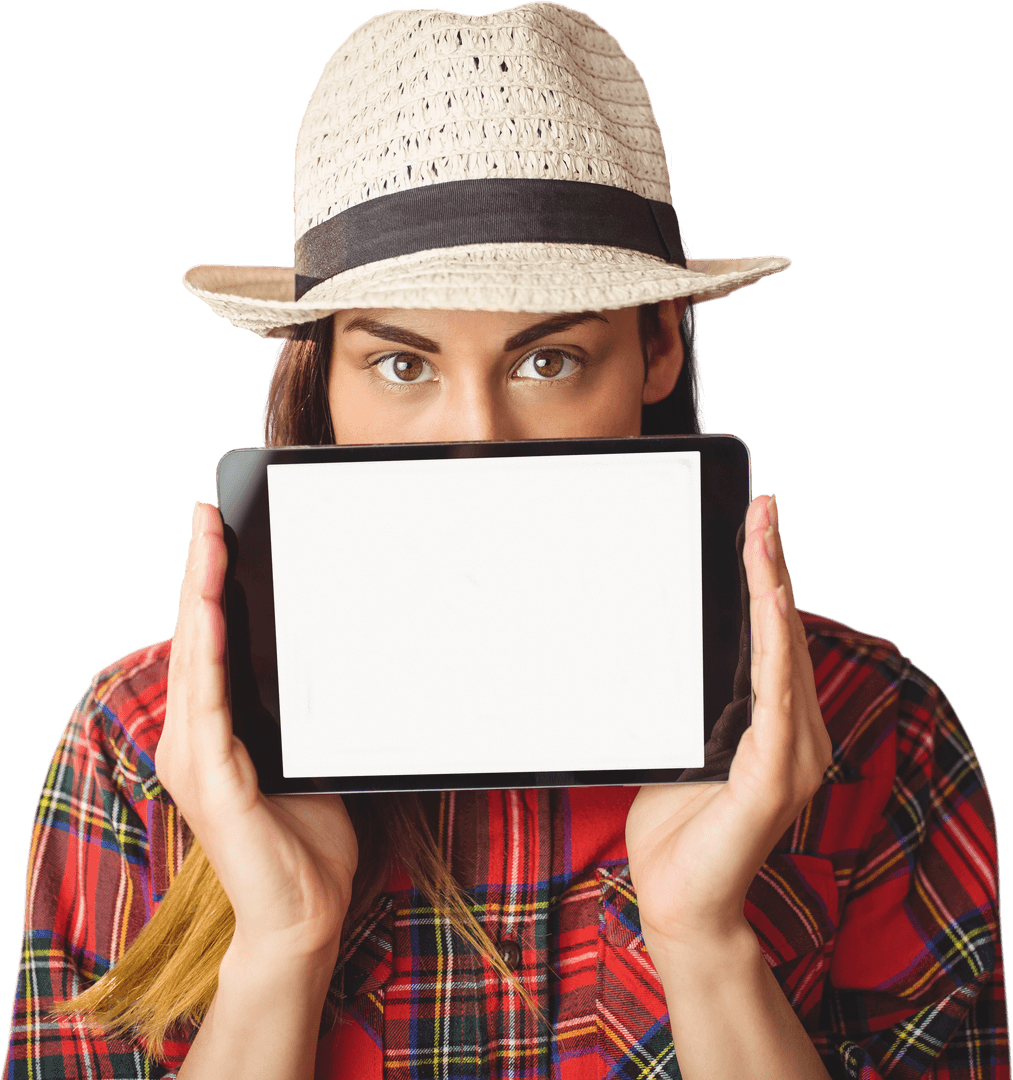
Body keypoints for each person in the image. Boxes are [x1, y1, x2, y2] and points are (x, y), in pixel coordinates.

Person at [3, 4, 1006, 1079]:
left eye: (547, 361)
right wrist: (280, 942)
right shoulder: (143, 743)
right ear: (324, 379)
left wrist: (703, 941)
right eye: (403, 365)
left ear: (657, 349)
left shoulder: (873, 726)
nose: (476, 442)